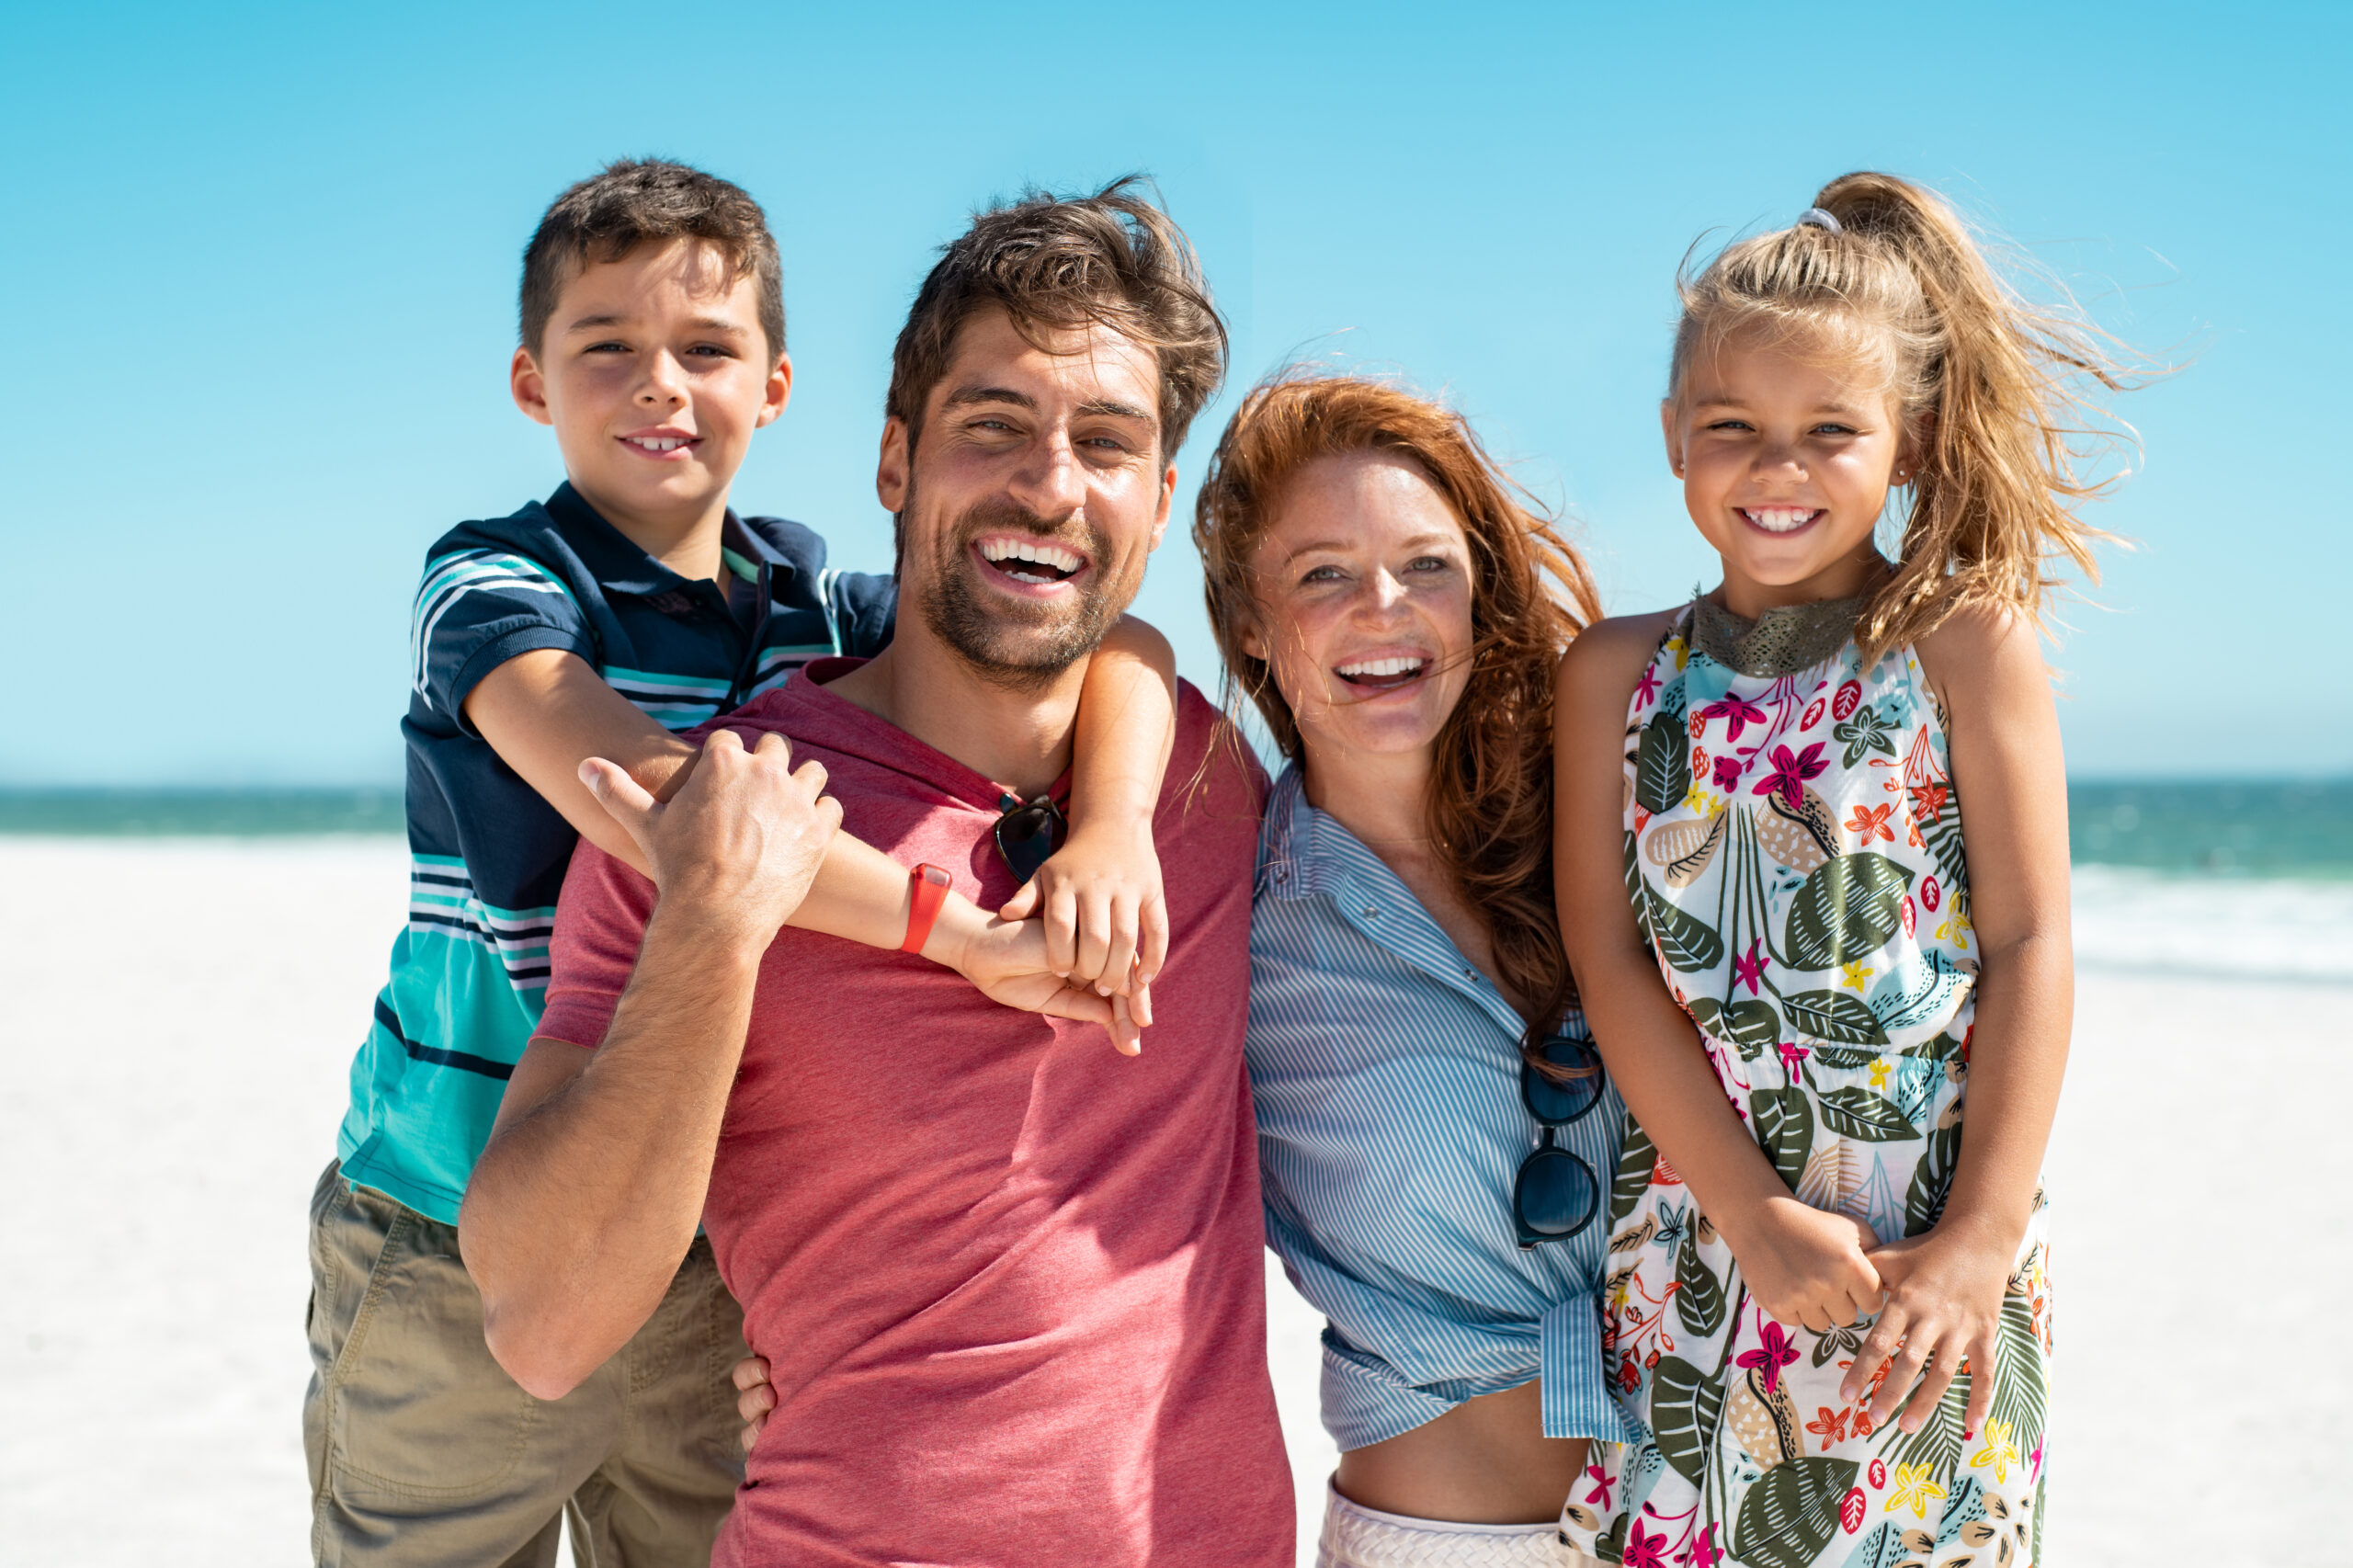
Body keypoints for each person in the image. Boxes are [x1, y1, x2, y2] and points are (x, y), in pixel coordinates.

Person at [309, 160, 1177, 1566]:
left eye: (706, 350)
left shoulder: (807, 598)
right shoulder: (496, 581)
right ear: (533, 383)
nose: (661, 385)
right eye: (610, 350)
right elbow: (671, 805)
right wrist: (960, 936)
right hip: (442, 1221)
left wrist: (1114, 821)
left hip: (704, 1241)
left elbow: (1102, 632)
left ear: (775, 388)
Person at [1553, 173, 2123, 1565]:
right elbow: (1609, 957)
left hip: (1933, 1265)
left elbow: (2035, 943)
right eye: (1734, 428)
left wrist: (1983, 1237)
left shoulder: (1961, 642)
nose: (1778, 467)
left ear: (1905, 441)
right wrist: (1750, 1217)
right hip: (1704, 1248)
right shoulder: (1616, 675)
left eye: (1830, 432)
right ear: (1676, 435)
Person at [1199, 370, 1626, 1566]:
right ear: (1247, 623)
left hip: (1703, 1515)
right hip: (1443, 1541)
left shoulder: (1610, 825)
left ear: (1479, 590)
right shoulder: (1226, 903)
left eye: (1425, 563)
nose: (1383, 606)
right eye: (1322, 572)